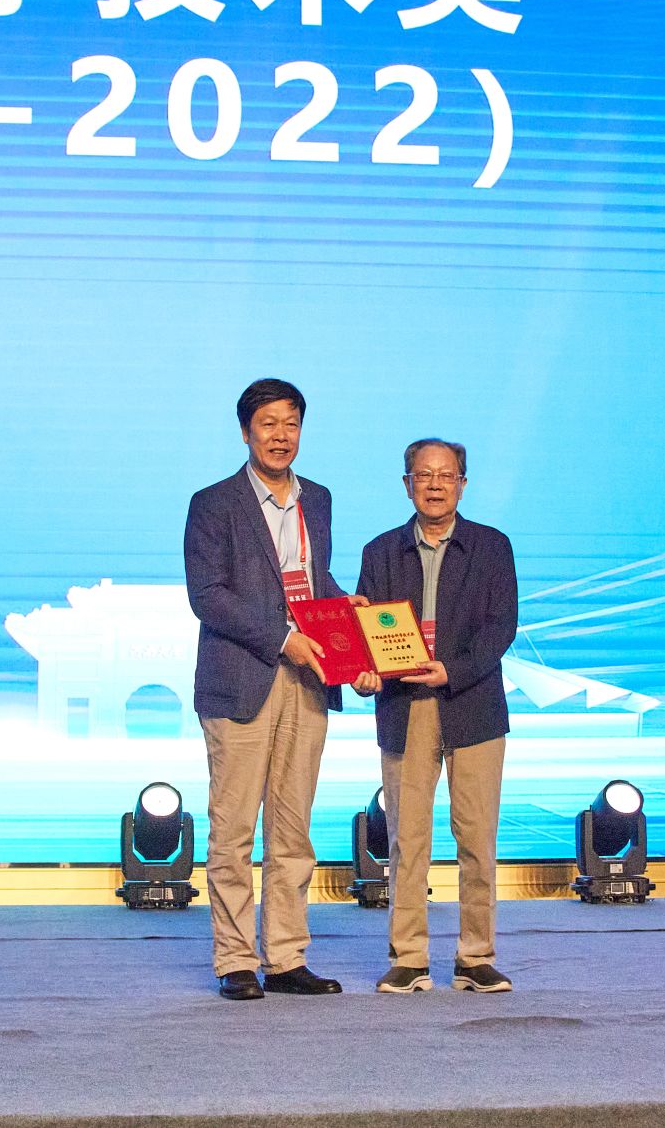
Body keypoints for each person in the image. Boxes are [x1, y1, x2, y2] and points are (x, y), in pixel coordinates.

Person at [184, 378, 363, 1001]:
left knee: (293, 829)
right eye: (268, 424)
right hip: (241, 679)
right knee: (233, 830)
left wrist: (351, 616)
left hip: (308, 681)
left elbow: (314, 580)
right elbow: (208, 597)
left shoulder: (320, 498)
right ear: (245, 432)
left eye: (291, 423)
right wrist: (283, 638)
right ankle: (236, 959)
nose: (280, 435)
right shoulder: (213, 503)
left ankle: (285, 957)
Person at [356, 438, 516, 994]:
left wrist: (453, 670)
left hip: (472, 703)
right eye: (423, 475)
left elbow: (501, 627)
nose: (435, 484)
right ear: (407, 484)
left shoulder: (492, 547)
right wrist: (364, 670)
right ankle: (409, 957)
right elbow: (365, 630)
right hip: (404, 706)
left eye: (446, 475)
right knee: (406, 839)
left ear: (462, 485)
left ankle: (476, 957)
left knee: (477, 838)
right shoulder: (380, 552)